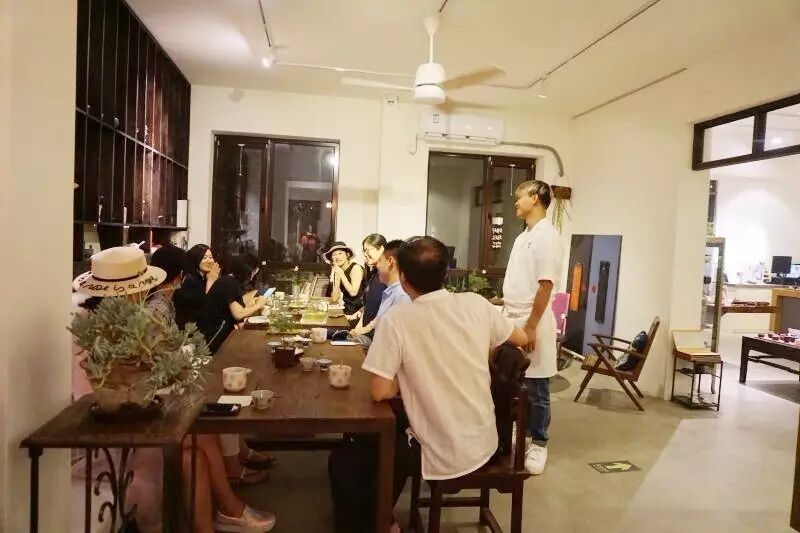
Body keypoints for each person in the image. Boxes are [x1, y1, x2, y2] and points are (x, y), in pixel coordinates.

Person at [72, 247, 275, 533]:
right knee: (198, 437)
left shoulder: (125, 317)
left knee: (198, 445)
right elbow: (109, 390)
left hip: (130, 416)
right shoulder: (98, 329)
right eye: (139, 288)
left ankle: (224, 513)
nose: (143, 293)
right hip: (109, 433)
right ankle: (229, 510)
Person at [329, 237, 527, 532]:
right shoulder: (475, 303)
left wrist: (407, 376)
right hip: (485, 439)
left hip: (443, 449)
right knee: (380, 437)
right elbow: (521, 339)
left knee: (349, 457)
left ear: (403, 277)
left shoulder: (398, 319)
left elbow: (380, 392)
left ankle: (379, 523)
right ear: (446, 272)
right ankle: (383, 517)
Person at [501, 180, 563, 475]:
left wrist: (532, 326)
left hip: (531, 318)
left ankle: (539, 442)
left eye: (520, 196)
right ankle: (521, 431)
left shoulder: (547, 236)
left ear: (536, 198)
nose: (516, 201)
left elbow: (545, 285)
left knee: (537, 387)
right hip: (512, 315)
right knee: (513, 381)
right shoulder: (524, 236)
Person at [198, 254, 267, 353]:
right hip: (213, 337)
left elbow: (239, 309)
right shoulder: (229, 284)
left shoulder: (229, 281)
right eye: (252, 274)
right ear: (247, 271)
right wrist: (258, 305)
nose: (252, 278)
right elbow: (238, 314)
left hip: (217, 333)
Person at [347, 234, 387, 338]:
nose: (365, 254)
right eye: (364, 251)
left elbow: (385, 310)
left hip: (377, 334)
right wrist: (358, 328)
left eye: (367, 250)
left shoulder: (387, 276)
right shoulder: (374, 274)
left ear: (381, 249)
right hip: (365, 331)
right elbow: (368, 306)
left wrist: (362, 330)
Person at [174, 244, 220, 330]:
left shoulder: (204, 277)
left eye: (211, 257)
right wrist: (211, 281)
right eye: (204, 258)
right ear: (195, 259)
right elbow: (205, 306)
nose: (209, 261)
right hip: (190, 330)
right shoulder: (190, 279)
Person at [324, 241, 364, 316]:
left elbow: (353, 293)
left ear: (347, 255)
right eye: (334, 254)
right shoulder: (339, 271)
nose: (337, 257)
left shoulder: (356, 268)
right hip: (347, 310)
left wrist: (341, 274)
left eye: (340, 253)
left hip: (360, 312)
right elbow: (334, 298)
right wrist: (337, 277)